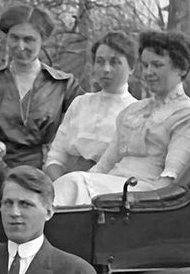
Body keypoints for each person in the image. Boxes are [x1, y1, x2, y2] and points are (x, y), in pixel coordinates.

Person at [51, 30, 190, 208]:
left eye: (157, 65)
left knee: (74, 183)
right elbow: (104, 165)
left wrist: (144, 207)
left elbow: (171, 179)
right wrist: (89, 180)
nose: (149, 72)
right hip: (115, 187)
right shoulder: (133, 111)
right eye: (146, 65)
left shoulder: (186, 116)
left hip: (144, 195)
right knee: (73, 183)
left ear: (181, 69)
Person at [0, 4, 80, 169]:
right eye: (14, 38)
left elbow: (79, 131)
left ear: (42, 40)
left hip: (48, 170)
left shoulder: (63, 84)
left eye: (29, 39)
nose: (20, 46)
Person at [43, 29, 137, 183]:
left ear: (131, 67)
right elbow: (56, 156)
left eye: (114, 62)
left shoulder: (136, 112)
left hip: (107, 191)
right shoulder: (80, 103)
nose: (106, 69)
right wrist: (62, 184)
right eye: (100, 61)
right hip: (65, 185)